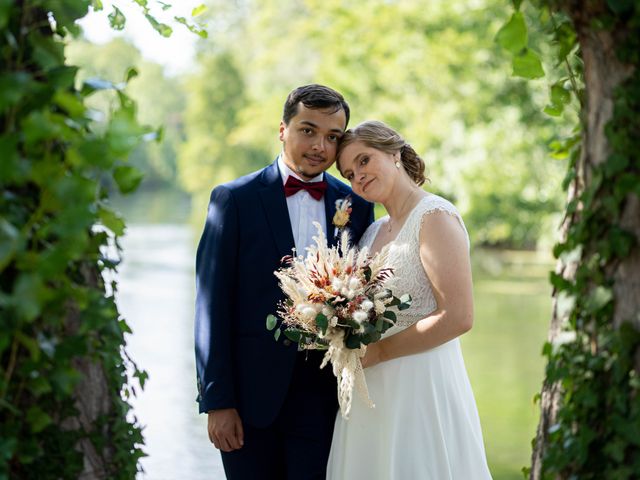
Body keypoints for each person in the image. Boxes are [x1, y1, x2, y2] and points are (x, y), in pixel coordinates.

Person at [194, 84, 374, 479]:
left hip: (326, 401)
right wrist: (217, 401)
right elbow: (211, 305)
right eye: (307, 130)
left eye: (333, 137)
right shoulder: (233, 199)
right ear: (282, 129)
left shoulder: (356, 205)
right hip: (248, 402)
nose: (320, 147)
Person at [327, 120, 492, 479]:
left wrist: (382, 352)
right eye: (350, 173)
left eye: (365, 160)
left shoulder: (434, 217)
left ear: (394, 153)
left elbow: (459, 316)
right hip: (372, 393)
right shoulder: (372, 232)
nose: (358, 177)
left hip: (421, 386)